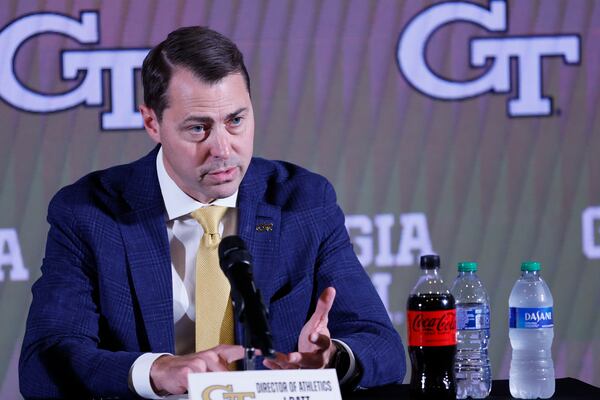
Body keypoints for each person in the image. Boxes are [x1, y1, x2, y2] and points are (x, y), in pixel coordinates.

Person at [19, 26, 406, 399]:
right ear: (152, 122)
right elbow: (44, 362)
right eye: (198, 128)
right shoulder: (91, 214)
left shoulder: (302, 202)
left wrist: (333, 358)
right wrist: (155, 372)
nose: (222, 148)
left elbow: (381, 346)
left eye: (235, 120)